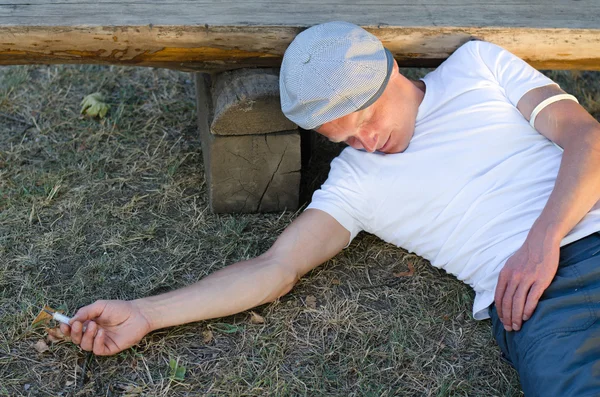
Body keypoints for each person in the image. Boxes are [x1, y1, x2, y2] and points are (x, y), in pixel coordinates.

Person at [60, 22, 600, 396]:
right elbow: (275, 268)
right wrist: (148, 313)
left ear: (389, 69)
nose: (365, 144)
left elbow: (585, 138)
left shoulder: (476, 66)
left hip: (570, 230)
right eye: (343, 139)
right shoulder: (355, 183)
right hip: (544, 302)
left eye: (365, 122)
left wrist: (541, 240)